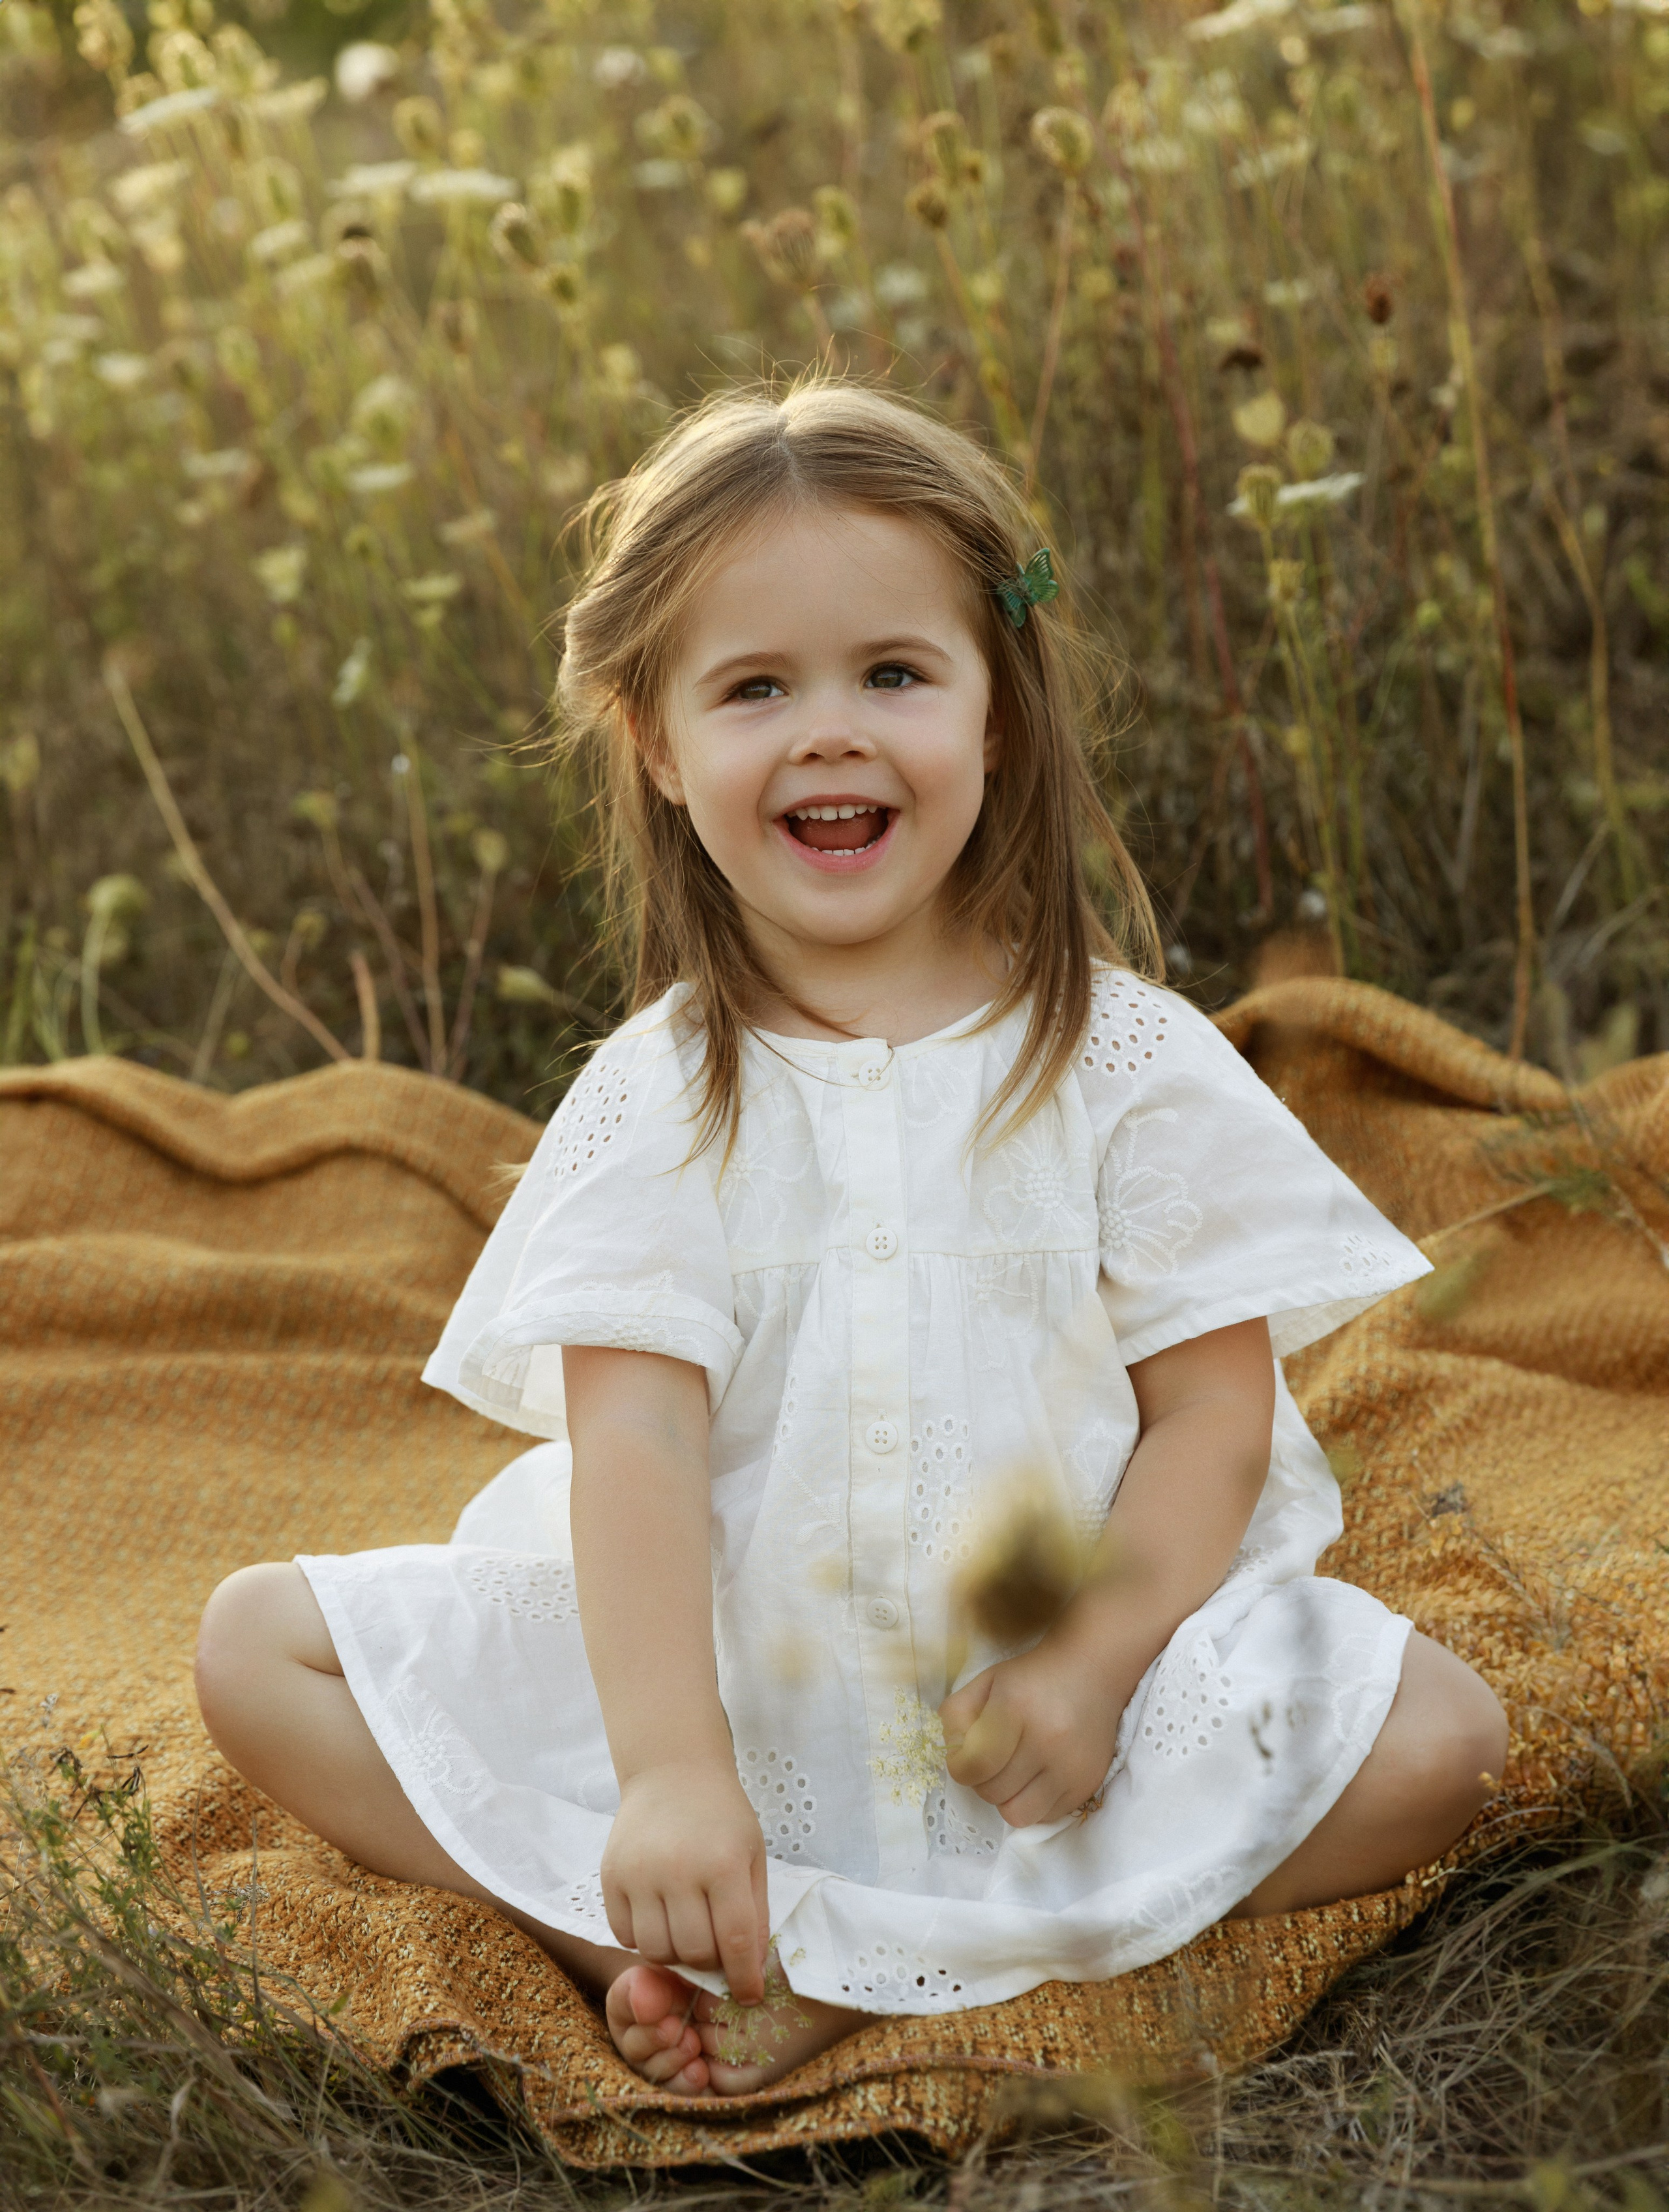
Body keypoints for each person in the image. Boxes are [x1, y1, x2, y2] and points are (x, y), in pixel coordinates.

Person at [195, 378, 1508, 2098]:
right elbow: (640, 1442)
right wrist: (671, 1769)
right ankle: (687, 1930)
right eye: (755, 689)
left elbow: (1212, 1414)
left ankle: (838, 1967)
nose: (829, 731)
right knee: (255, 1649)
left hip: (1042, 1704)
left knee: (1450, 1744)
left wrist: (1097, 1668)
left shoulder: (1124, 1064)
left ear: (997, 716)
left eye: (894, 673)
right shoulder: (664, 1094)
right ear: (658, 746)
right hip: (732, 1672)